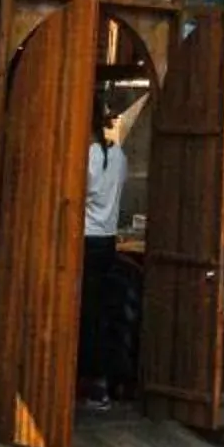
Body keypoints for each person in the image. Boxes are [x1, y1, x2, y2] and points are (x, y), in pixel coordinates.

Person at [79, 100, 134, 406]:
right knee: (102, 312)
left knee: (85, 315)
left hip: (85, 240)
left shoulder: (87, 156)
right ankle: (103, 383)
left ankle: (90, 382)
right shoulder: (119, 155)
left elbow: (78, 193)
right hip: (108, 240)